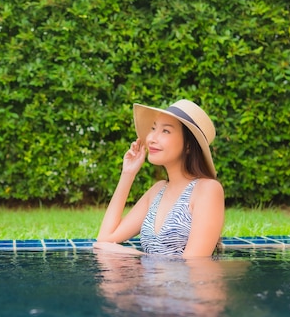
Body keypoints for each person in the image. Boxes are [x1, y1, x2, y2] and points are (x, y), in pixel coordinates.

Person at [95, 99, 224, 258]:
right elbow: (105, 238)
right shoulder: (158, 191)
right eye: (153, 128)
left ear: (189, 145)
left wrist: (135, 256)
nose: (151, 138)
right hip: (151, 282)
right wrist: (128, 173)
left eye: (166, 131)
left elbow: (195, 264)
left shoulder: (207, 189)